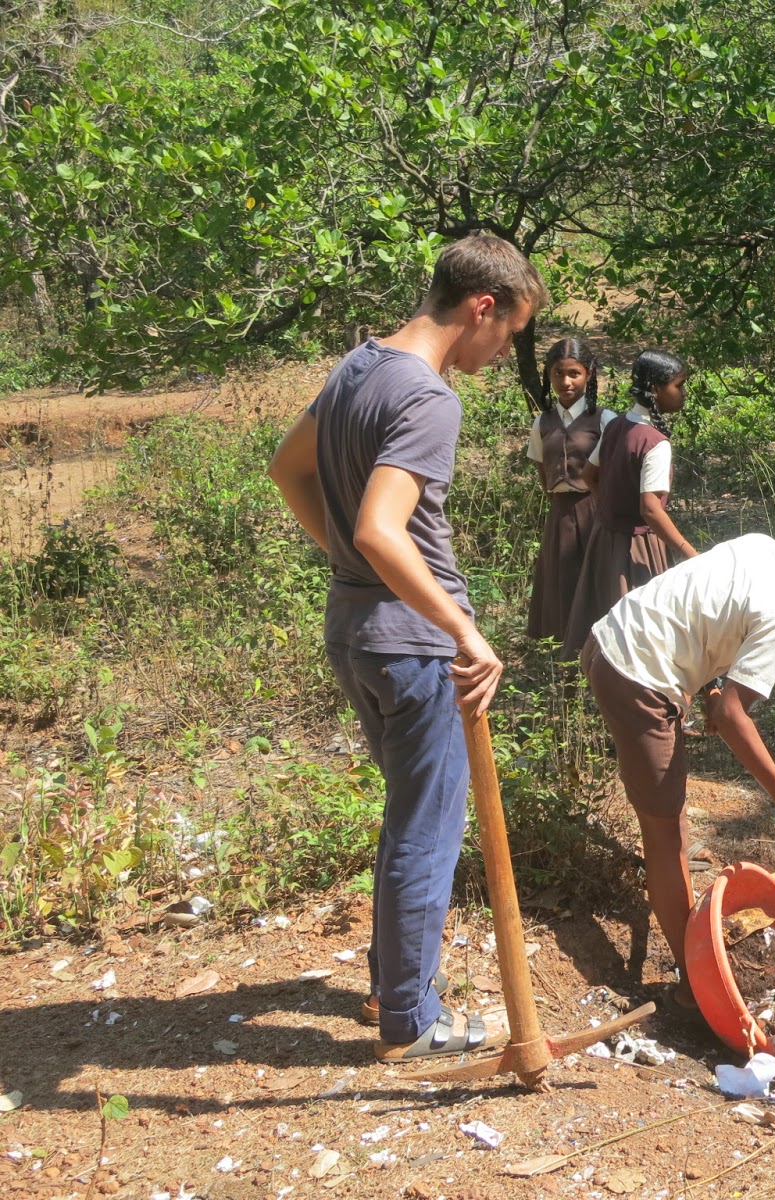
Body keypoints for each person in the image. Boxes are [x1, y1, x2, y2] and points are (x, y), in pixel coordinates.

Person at [268, 232, 547, 1060]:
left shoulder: (357, 367)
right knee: (427, 831)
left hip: (355, 632)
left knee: (408, 822)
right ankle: (410, 1023)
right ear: (480, 307)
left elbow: (288, 469)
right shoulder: (428, 396)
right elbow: (381, 529)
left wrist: (348, 566)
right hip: (417, 649)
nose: (505, 352)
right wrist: (463, 629)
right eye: (509, 333)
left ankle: (394, 987)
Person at [580, 517, 775, 1008]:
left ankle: (693, 955)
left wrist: (706, 683)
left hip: (609, 639)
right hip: (636, 674)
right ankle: (697, 982)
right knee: (665, 837)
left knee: (673, 827)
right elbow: (730, 715)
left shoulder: (761, 544)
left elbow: (704, 609)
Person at [560, 348, 697, 660]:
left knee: (604, 613)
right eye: (678, 385)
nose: (683, 393)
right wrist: (689, 552)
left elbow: (588, 475)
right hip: (638, 547)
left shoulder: (617, 426)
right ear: (655, 390)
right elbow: (651, 509)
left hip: (605, 538)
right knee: (638, 631)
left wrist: (609, 508)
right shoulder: (655, 443)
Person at [525, 337, 614, 643]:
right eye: (557, 373)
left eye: (573, 373)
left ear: (588, 374)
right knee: (563, 585)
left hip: (596, 511)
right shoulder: (542, 423)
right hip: (560, 514)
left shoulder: (604, 420)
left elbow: (616, 471)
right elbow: (541, 469)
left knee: (596, 584)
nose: (565, 381)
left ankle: (602, 655)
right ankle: (567, 659)